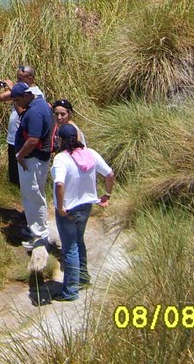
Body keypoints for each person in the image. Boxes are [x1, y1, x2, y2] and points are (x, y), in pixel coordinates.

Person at [50, 123, 114, 302]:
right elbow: (110, 174)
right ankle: (83, 279)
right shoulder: (90, 153)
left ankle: (70, 291)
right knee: (79, 242)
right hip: (86, 206)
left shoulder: (61, 159)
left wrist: (61, 206)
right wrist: (107, 195)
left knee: (70, 248)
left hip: (68, 209)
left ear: (60, 140)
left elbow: (60, 184)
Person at [12, 81, 55, 249]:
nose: (16, 103)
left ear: (26, 95)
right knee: (36, 195)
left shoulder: (35, 111)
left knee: (33, 196)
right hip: (36, 160)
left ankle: (39, 237)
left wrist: (20, 155)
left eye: (17, 100)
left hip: (32, 160)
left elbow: (33, 139)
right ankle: (37, 230)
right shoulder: (40, 104)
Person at [0, 66, 46, 186]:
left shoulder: (35, 94)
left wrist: (14, 91)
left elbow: (23, 112)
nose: (17, 81)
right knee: (13, 175)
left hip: (25, 138)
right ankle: (16, 196)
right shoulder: (18, 92)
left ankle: (26, 199)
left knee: (25, 174)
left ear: (30, 78)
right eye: (17, 78)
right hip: (13, 138)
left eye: (20, 79)